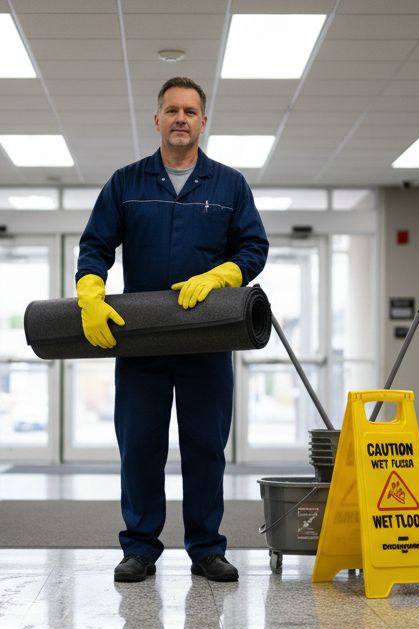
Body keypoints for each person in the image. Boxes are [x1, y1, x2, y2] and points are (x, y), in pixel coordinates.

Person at [75, 76, 269, 583]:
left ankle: (207, 549)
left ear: (203, 121)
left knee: (205, 446)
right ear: (157, 120)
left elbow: (253, 248)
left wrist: (221, 275)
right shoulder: (126, 182)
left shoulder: (229, 184)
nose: (180, 118)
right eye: (171, 110)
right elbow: (96, 245)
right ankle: (140, 548)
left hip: (207, 337)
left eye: (190, 111)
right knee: (140, 444)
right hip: (142, 338)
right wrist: (91, 293)